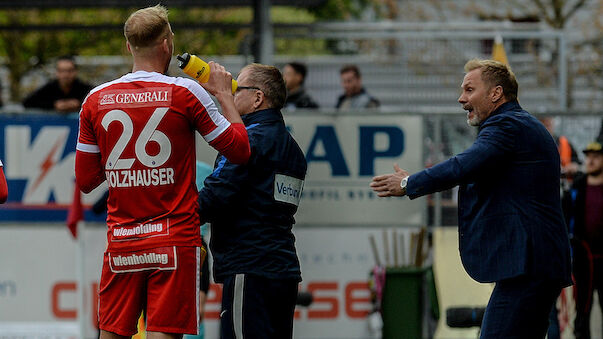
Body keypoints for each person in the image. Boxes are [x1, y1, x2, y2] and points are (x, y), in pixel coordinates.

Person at [74, 5, 250, 339]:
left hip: (122, 240)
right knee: (164, 334)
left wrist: (122, 166)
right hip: (173, 240)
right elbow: (239, 151)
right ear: (167, 44)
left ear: (129, 46)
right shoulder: (186, 92)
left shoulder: (95, 99)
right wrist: (226, 96)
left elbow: (86, 181)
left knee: (111, 334)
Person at [370, 58, 572, 338]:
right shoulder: (518, 126)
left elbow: (462, 166)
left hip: (529, 265)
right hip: (535, 264)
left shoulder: (507, 126)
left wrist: (409, 183)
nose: (461, 98)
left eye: (469, 89)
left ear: (495, 93)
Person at [198, 63, 307, 339]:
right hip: (282, 271)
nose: (232, 94)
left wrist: (168, 218)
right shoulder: (292, 147)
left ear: (258, 98)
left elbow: (215, 196)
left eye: (237, 89)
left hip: (249, 269)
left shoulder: (249, 141)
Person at [564, 140, 603, 339]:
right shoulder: (576, 188)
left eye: (596, 157)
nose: (591, 161)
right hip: (583, 259)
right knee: (583, 309)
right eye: (588, 157)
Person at [23, 55, 93, 113]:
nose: (65, 74)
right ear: (57, 72)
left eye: (69, 71)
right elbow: (27, 102)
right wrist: (54, 105)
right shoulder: (49, 88)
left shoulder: (86, 89)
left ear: (75, 72)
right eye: (62, 71)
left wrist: (80, 103)